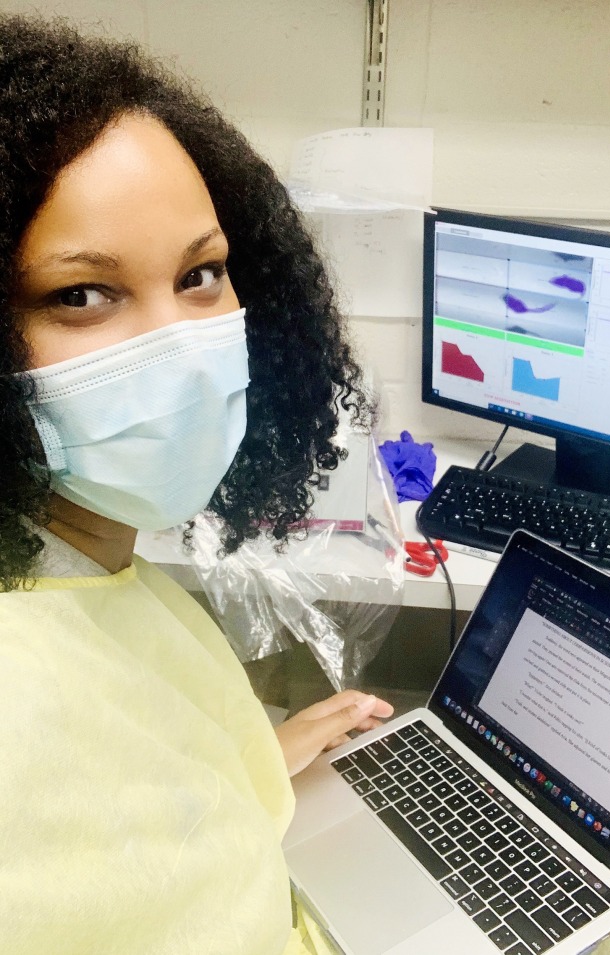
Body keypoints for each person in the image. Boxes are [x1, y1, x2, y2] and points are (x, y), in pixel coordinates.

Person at [0, 15, 393, 955]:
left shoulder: (78, 560)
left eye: (202, 274)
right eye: (80, 294)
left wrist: (250, 762)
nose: (178, 353)